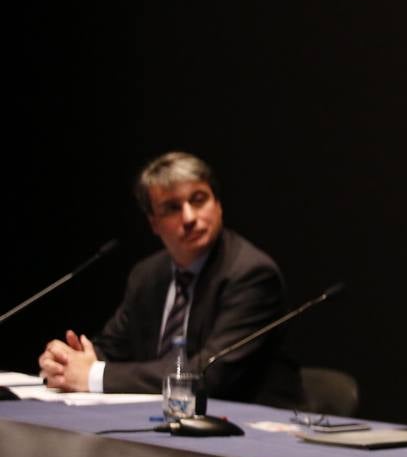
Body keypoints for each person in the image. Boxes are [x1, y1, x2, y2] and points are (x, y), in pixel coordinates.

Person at [37, 151, 302, 406]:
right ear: (154, 223)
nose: (189, 217)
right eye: (172, 208)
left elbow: (209, 374)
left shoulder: (250, 274)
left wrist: (93, 375)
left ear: (218, 205)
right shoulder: (148, 275)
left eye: (199, 200)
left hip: (252, 430)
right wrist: (67, 362)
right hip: (166, 419)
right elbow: (110, 348)